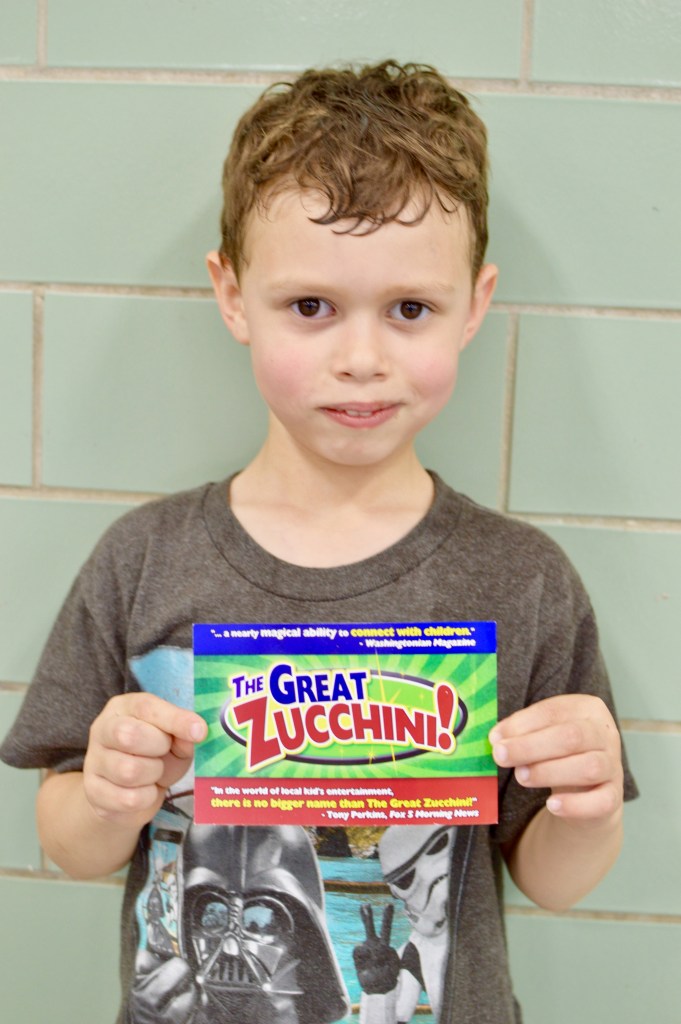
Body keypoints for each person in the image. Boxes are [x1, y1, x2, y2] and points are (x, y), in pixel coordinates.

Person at [0, 60, 637, 1024]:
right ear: (231, 296)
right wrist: (103, 797)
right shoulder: (142, 560)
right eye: (311, 307)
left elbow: (549, 879)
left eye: (409, 308)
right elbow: (69, 845)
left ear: (474, 305)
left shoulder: (521, 580)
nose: (360, 358)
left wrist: (588, 807)